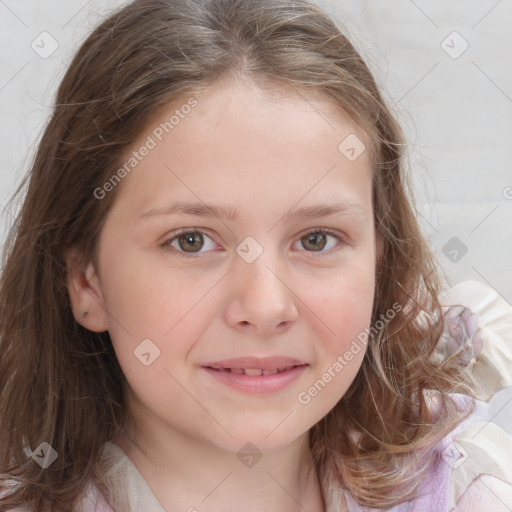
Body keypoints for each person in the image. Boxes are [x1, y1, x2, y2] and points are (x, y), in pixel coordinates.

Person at [0, 0, 511, 511]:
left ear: (379, 261)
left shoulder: (472, 490)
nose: (265, 307)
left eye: (316, 240)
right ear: (87, 280)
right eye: (191, 240)